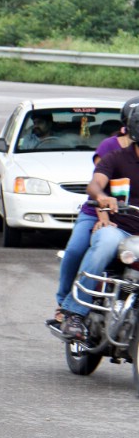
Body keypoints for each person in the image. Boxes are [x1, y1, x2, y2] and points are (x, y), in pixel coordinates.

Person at [60, 98, 139, 340]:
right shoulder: (115, 157)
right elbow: (95, 185)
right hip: (119, 227)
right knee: (103, 242)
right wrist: (103, 198)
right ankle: (74, 313)